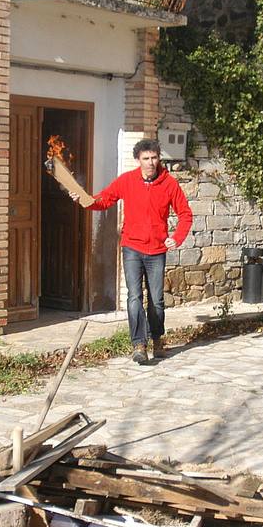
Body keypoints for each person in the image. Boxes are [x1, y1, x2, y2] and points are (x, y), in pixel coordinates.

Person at [82, 138, 192, 364]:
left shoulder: (169, 184)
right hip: (132, 247)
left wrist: (176, 238)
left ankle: (157, 338)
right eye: (146, 158)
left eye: (154, 158)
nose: (151, 162)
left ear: (159, 158)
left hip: (157, 250)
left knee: (156, 300)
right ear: (138, 160)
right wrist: (85, 201)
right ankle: (139, 345)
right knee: (134, 296)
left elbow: (185, 214)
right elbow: (104, 200)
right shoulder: (127, 180)